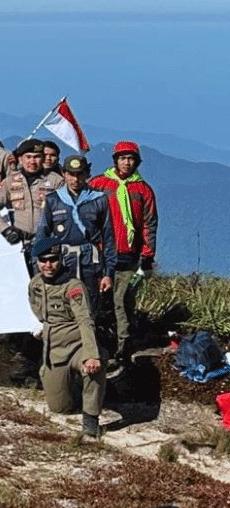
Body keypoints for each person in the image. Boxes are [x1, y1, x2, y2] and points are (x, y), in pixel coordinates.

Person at [88, 141, 159, 368]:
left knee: (122, 302)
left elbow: (149, 223)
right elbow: (86, 215)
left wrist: (147, 254)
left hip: (129, 254)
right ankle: (96, 345)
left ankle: (122, 348)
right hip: (100, 253)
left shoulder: (143, 190)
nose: (126, 163)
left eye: (131, 159)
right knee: (97, 301)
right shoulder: (99, 184)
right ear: (115, 160)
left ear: (136, 162)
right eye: (122, 158)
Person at [28, 238, 105, 438]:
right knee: (58, 408)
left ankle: (91, 419)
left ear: (61, 259)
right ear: (37, 262)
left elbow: (85, 320)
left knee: (94, 367)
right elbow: (37, 312)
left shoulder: (73, 286)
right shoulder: (35, 285)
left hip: (78, 345)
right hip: (55, 350)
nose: (48, 265)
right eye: (43, 260)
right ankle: (78, 389)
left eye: (53, 259)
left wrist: (91, 354)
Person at [35, 155, 116, 330]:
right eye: (71, 174)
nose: (75, 179)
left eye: (80, 174)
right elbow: (43, 233)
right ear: (64, 174)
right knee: (62, 307)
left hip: (90, 263)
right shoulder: (53, 200)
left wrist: (108, 272)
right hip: (62, 263)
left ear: (87, 174)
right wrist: (41, 267)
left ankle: (89, 352)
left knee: (89, 309)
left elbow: (108, 237)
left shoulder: (98, 199)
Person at [0, 139, 64, 274]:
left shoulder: (56, 181)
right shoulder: (10, 181)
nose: (32, 162)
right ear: (20, 159)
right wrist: (6, 230)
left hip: (47, 244)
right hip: (19, 244)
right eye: (28, 157)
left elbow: (67, 211)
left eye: (37, 157)